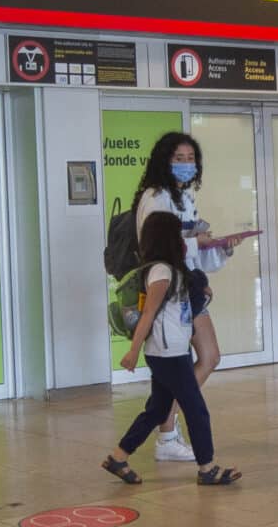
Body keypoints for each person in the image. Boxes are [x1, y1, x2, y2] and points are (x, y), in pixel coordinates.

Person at [102, 212, 242, 487]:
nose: (186, 240)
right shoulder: (160, 271)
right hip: (167, 353)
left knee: (157, 409)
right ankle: (207, 468)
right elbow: (149, 314)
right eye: (180, 235)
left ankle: (118, 457)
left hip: (171, 349)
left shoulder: (171, 268)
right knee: (196, 409)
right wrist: (133, 351)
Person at [133, 132, 234, 462]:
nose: (186, 165)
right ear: (164, 160)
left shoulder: (184, 197)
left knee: (201, 360)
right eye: (179, 158)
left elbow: (192, 253)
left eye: (191, 159)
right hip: (170, 290)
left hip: (188, 286)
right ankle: (166, 435)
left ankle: (165, 434)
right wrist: (198, 243)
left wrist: (219, 248)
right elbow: (157, 245)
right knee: (191, 362)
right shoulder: (156, 197)